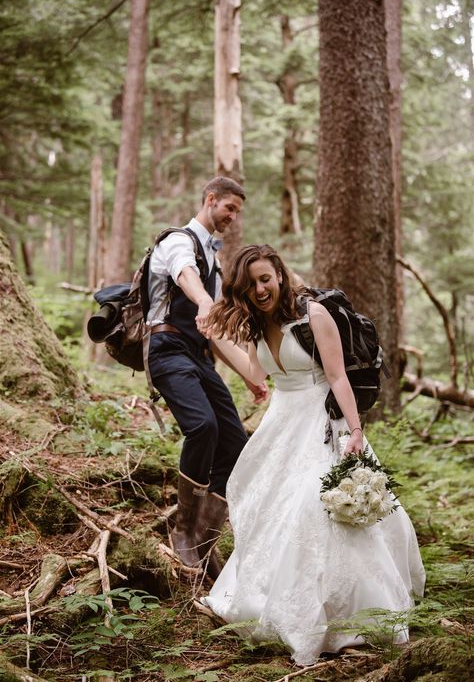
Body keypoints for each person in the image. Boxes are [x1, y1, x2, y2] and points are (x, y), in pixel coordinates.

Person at [201, 244, 426, 666]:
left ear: (280, 276)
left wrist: (356, 431)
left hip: (323, 424)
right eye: (250, 285)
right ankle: (276, 602)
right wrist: (213, 342)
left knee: (315, 507)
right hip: (280, 425)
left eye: (265, 279)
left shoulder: (313, 315)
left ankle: (348, 615)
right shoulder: (253, 324)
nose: (260, 289)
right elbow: (255, 375)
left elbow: (338, 376)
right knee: (270, 509)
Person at [146, 177, 268, 578]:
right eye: (228, 208)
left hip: (198, 356)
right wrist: (203, 301)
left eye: (237, 212)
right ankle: (181, 532)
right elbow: (185, 276)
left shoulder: (213, 257)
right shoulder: (177, 242)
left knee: (235, 441)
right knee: (202, 427)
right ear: (210, 199)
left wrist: (250, 378)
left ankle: (203, 540)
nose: (232, 218)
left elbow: (213, 332)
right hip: (167, 351)